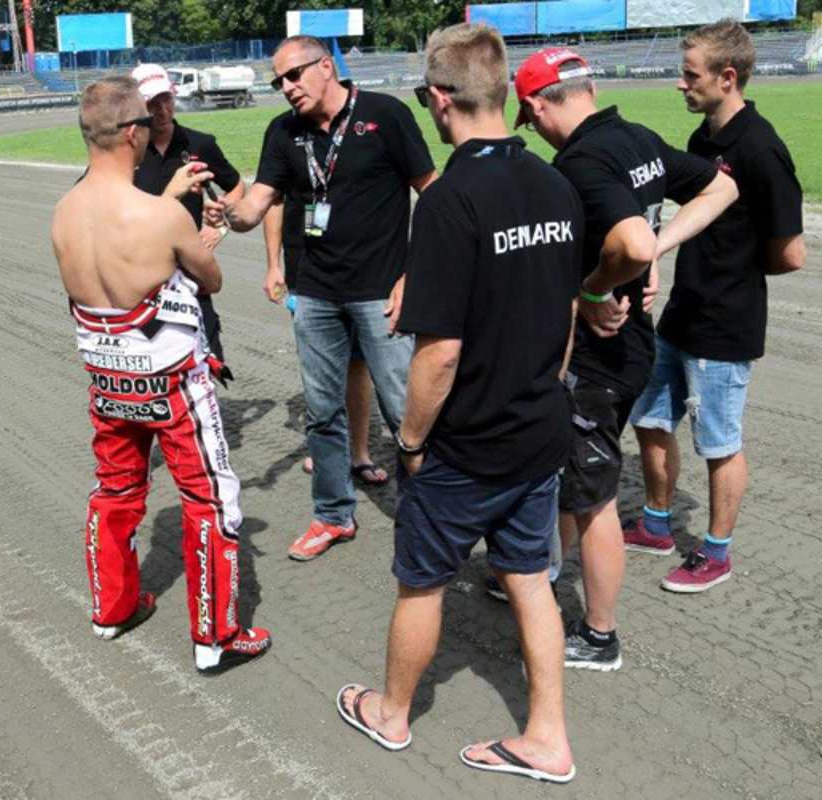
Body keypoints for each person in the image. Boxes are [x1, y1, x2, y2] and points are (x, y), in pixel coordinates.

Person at [334, 24, 581, 783]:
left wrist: (409, 441)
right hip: (540, 428)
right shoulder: (555, 182)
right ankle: (547, 737)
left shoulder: (449, 201)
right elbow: (567, 311)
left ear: (441, 100)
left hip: (467, 443)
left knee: (422, 581)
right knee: (530, 578)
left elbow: (439, 352)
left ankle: (392, 711)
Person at [516, 48, 737, 670]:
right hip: (635, 340)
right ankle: (545, 569)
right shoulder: (634, 137)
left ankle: (598, 634)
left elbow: (632, 238)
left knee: (593, 496)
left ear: (536, 105)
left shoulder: (583, 161)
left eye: (529, 121)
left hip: (604, 350)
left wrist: (596, 284)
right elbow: (722, 186)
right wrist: (655, 251)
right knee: (567, 473)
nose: (533, 132)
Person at [51, 76, 270, 672]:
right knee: (210, 497)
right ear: (131, 134)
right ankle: (215, 636)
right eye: (145, 125)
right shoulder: (161, 215)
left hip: (106, 380)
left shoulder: (63, 214)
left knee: (116, 490)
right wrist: (202, 234)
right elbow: (210, 281)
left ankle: (112, 608)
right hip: (172, 381)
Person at [205, 35, 436, 561]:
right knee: (322, 412)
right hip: (315, 295)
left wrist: (413, 275)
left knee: (406, 409)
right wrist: (230, 214)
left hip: (382, 292)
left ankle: (427, 515)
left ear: (326, 66)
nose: (286, 88)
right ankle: (333, 515)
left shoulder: (385, 114)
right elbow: (258, 203)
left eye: (294, 75)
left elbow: (433, 191)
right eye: (278, 81)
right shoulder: (283, 132)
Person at [624, 19, 806, 592]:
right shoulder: (705, 139)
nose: (681, 84)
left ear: (728, 78)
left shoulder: (761, 149)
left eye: (690, 75)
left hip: (727, 324)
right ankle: (656, 524)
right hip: (682, 312)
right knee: (650, 419)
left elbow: (791, 254)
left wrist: (736, 274)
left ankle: (717, 552)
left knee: (719, 442)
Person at [263, 199, 389, 486]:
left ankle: (359, 454)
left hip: (361, 269)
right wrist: (273, 263)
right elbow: (274, 200)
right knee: (320, 366)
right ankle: (326, 453)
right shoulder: (294, 153)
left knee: (358, 364)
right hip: (307, 273)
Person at [129, 63, 244, 377]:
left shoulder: (199, 144)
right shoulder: (127, 151)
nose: (162, 109)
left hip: (191, 274)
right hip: (141, 274)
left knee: (207, 362)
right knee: (151, 365)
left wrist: (218, 223)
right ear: (139, 106)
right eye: (152, 103)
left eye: (166, 98)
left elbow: (235, 186)